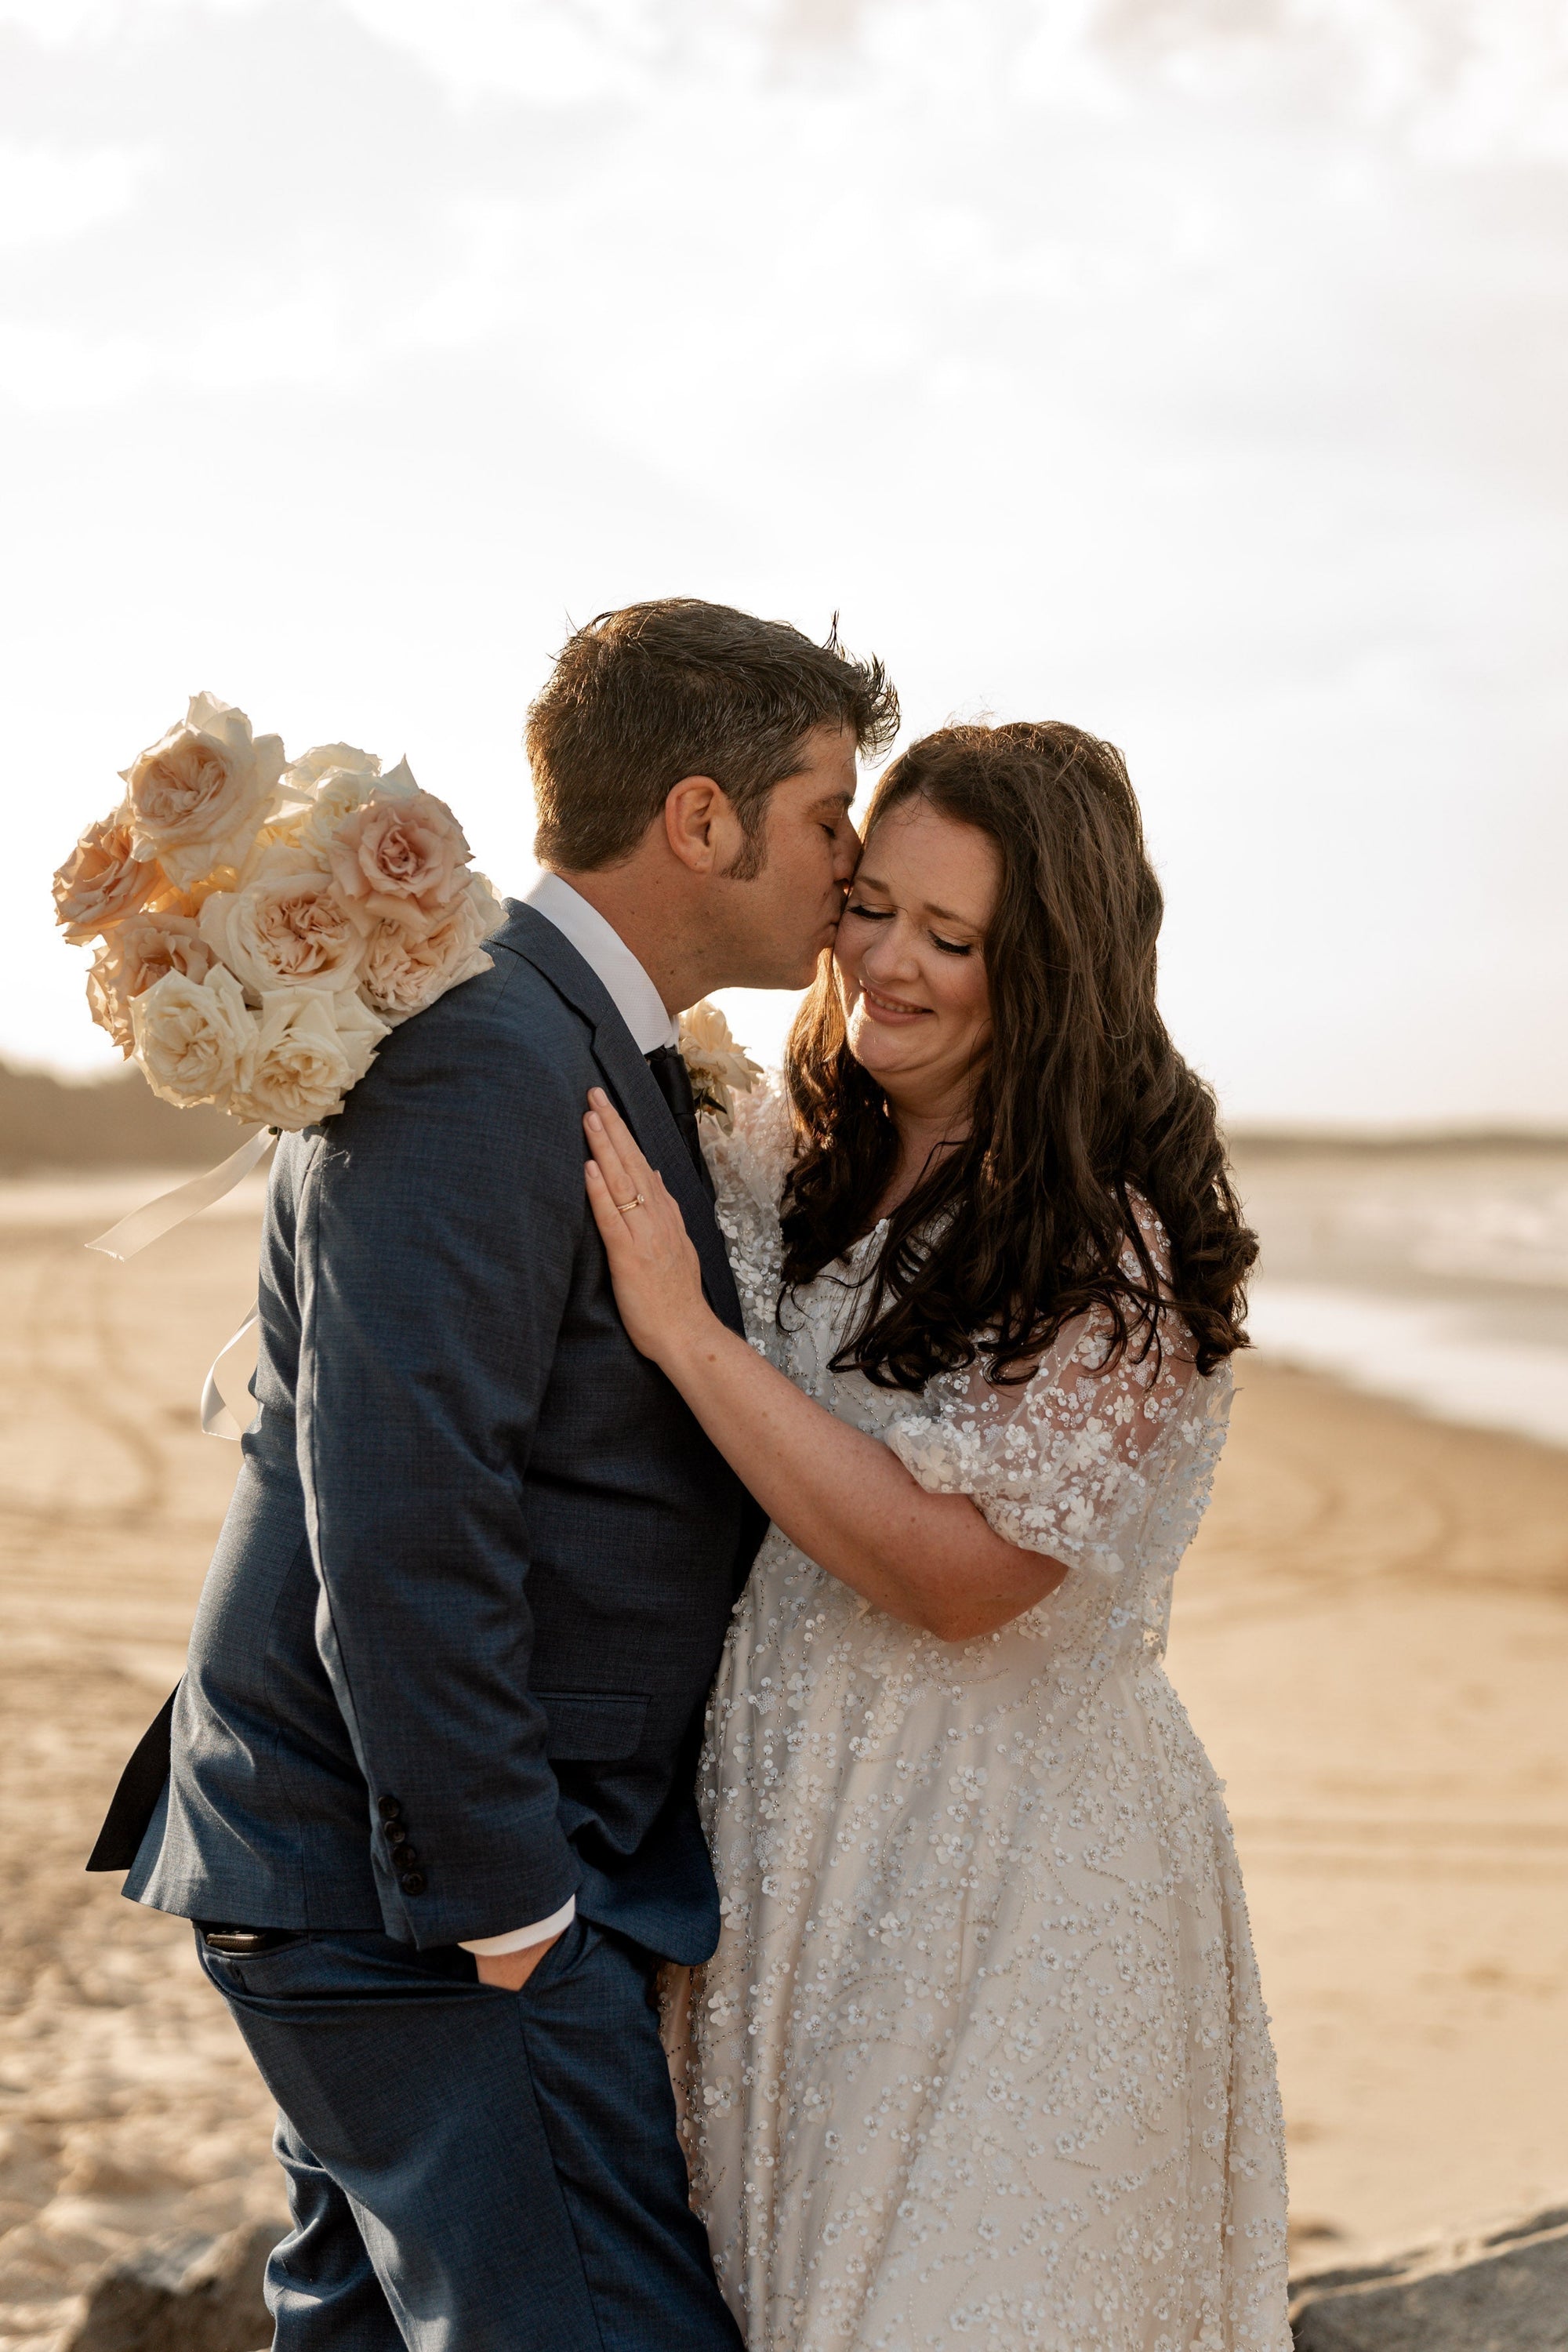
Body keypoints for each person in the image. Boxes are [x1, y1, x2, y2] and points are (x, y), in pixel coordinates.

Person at [86, 600, 898, 2351]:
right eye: (829, 813)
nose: (850, 862)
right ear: (701, 819)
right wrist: (508, 1903)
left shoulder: (564, 1037)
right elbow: (399, 1502)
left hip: (391, 1878)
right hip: (419, 1893)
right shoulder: (482, 1055)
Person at [583, 720, 1292, 2352]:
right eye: (870, 904)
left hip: (1021, 1883)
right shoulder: (782, 1155)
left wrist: (691, 1339)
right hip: (786, 1858)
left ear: (1048, 970)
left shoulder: (1115, 1246)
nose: (885, 962)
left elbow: (959, 1578)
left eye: (949, 939)